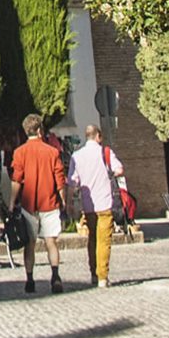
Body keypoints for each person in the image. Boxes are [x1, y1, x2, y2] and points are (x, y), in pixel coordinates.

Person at [12, 113, 67, 294]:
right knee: (51, 242)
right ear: (40, 130)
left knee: (30, 243)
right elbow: (60, 180)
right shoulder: (52, 152)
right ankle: (55, 276)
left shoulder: (20, 152)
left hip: (29, 205)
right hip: (49, 202)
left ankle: (30, 279)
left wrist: (12, 203)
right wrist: (64, 201)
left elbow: (17, 180)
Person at [67, 123, 123, 289]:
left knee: (92, 239)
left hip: (88, 204)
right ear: (98, 136)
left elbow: (72, 182)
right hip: (104, 202)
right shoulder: (105, 152)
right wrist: (109, 174)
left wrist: (69, 202)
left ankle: (93, 273)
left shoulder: (77, 156)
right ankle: (102, 277)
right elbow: (119, 169)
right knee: (104, 241)